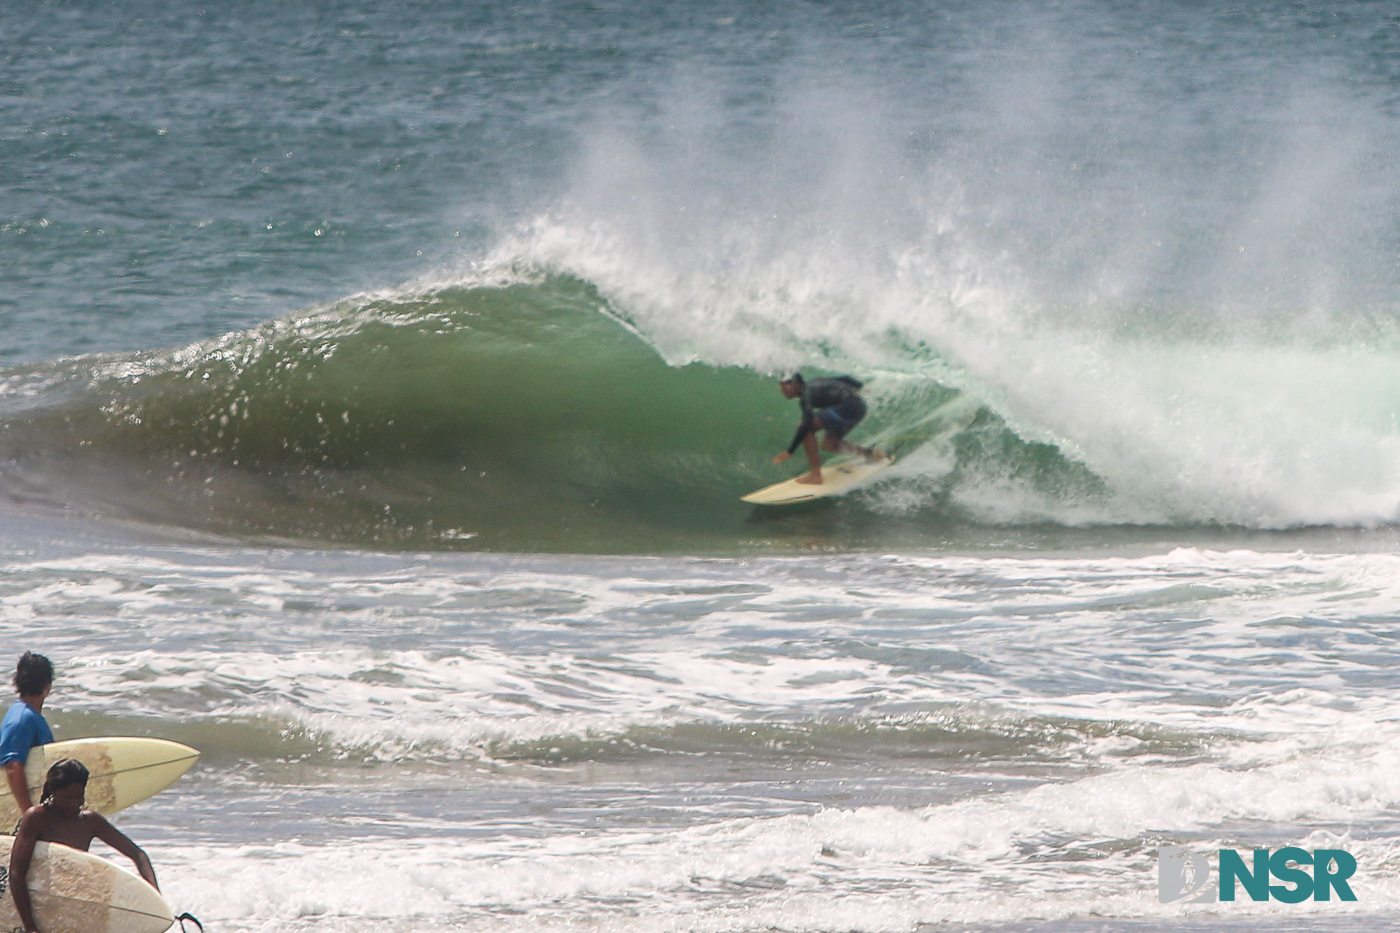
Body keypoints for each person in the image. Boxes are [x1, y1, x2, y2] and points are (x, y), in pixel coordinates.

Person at [8, 759, 159, 933]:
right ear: (52, 790)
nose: (75, 803)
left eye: (79, 796)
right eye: (68, 797)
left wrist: (155, 898)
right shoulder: (37, 818)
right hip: (34, 904)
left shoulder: (89, 821)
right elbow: (16, 875)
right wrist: (31, 928)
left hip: (73, 904)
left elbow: (138, 854)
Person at [773, 373, 885, 485]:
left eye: (784, 385)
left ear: (795, 384)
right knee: (829, 445)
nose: (781, 389)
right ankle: (871, 454)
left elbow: (806, 425)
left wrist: (790, 451)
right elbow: (845, 378)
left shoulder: (807, 394)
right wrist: (860, 387)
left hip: (848, 407)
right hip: (858, 407)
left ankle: (815, 475)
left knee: (805, 427)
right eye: (781, 386)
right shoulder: (816, 382)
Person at [1, 653, 54, 814]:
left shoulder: (29, 715)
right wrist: (29, 813)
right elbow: (12, 767)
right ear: (47, 685)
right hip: (27, 812)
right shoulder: (22, 718)